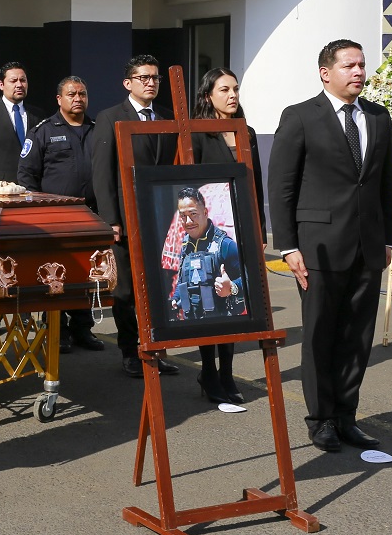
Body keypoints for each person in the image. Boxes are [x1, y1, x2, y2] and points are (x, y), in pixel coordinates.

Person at [269, 39, 392, 452]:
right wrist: (288, 245)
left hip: (367, 246)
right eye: (349, 65)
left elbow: (385, 184)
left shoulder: (378, 117)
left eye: (362, 65)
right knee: (322, 334)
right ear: (326, 72)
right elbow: (282, 186)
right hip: (319, 247)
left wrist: (389, 238)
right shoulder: (301, 116)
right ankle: (321, 419)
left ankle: (346, 416)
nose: (359, 71)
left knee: (358, 337)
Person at [91, 54, 180, 378]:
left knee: (159, 290)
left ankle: (156, 349)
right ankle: (130, 352)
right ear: (128, 83)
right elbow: (103, 173)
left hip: (159, 220)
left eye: (155, 77)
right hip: (125, 221)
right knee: (126, 291)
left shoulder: (167, 118)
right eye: (144, 77)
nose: (151, 83)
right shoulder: (110, 117)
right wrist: (110, 219)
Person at [188, 67, 266, 404]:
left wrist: (259, 228)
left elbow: (256, 185)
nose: (232, 95)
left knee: (234, 300)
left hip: (241, 229)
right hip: (209, 231)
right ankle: (208, 371)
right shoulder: (196, 134)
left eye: (235, 89)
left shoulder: (245, 132)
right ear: (208, 96)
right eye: (224, 90)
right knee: (209, 301)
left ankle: (227, 373)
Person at [17, 76, 104, 353]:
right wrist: (36, 213)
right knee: (56, 276)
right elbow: (26, 175)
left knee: (86, 274)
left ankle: (82, 328)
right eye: (71, 94)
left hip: (90, 215)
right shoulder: (43, 130)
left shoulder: (97, 129)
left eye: (82, 93)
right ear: (59, 99)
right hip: (55, 218)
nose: (77, 98)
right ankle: (58, 329)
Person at [168, 187, 245, 403]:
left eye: (193, 213)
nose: (188, 220)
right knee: (203, 325)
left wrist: (233, 287)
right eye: (183, 216)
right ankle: (209, 375)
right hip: (198, 312)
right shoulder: (184, 244)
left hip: (224, 311)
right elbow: (182, 276)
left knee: (223, 329)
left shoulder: (225, 245)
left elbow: (249, 280)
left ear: (205, 211)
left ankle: (226, 376)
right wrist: (175, 297)